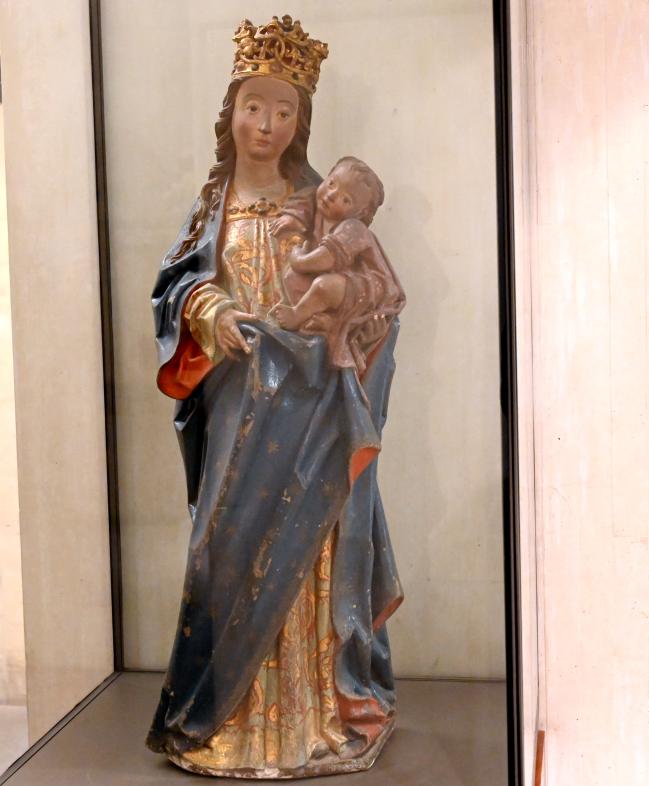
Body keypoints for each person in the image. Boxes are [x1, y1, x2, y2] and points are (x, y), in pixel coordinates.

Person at [147, 16, 404, 779]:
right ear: (229, 111)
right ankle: (225, 719)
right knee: (223, 550)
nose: (266, 124)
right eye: (253, 106)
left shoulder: (328, 204)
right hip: (239, 411)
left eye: (283, 110)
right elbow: (174, 291)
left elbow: (382, 295)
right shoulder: (212, 209)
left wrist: (343, 311)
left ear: (301, 122)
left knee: (309, 551)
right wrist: (213, 312)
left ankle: (311, 718)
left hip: (313, 414)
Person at [269, 156, 405, 373]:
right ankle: (322, 321)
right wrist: (293, 219)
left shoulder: (353, 229)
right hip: (343, 286)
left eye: (345, 199)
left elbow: (324, 260)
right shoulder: (319, 212)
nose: (331, 195)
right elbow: (305, 201)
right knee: (292, 278)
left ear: (359, 213)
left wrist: (297, 259)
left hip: (372, 290)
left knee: (324, 285)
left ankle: (298, 315)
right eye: (331, 183)